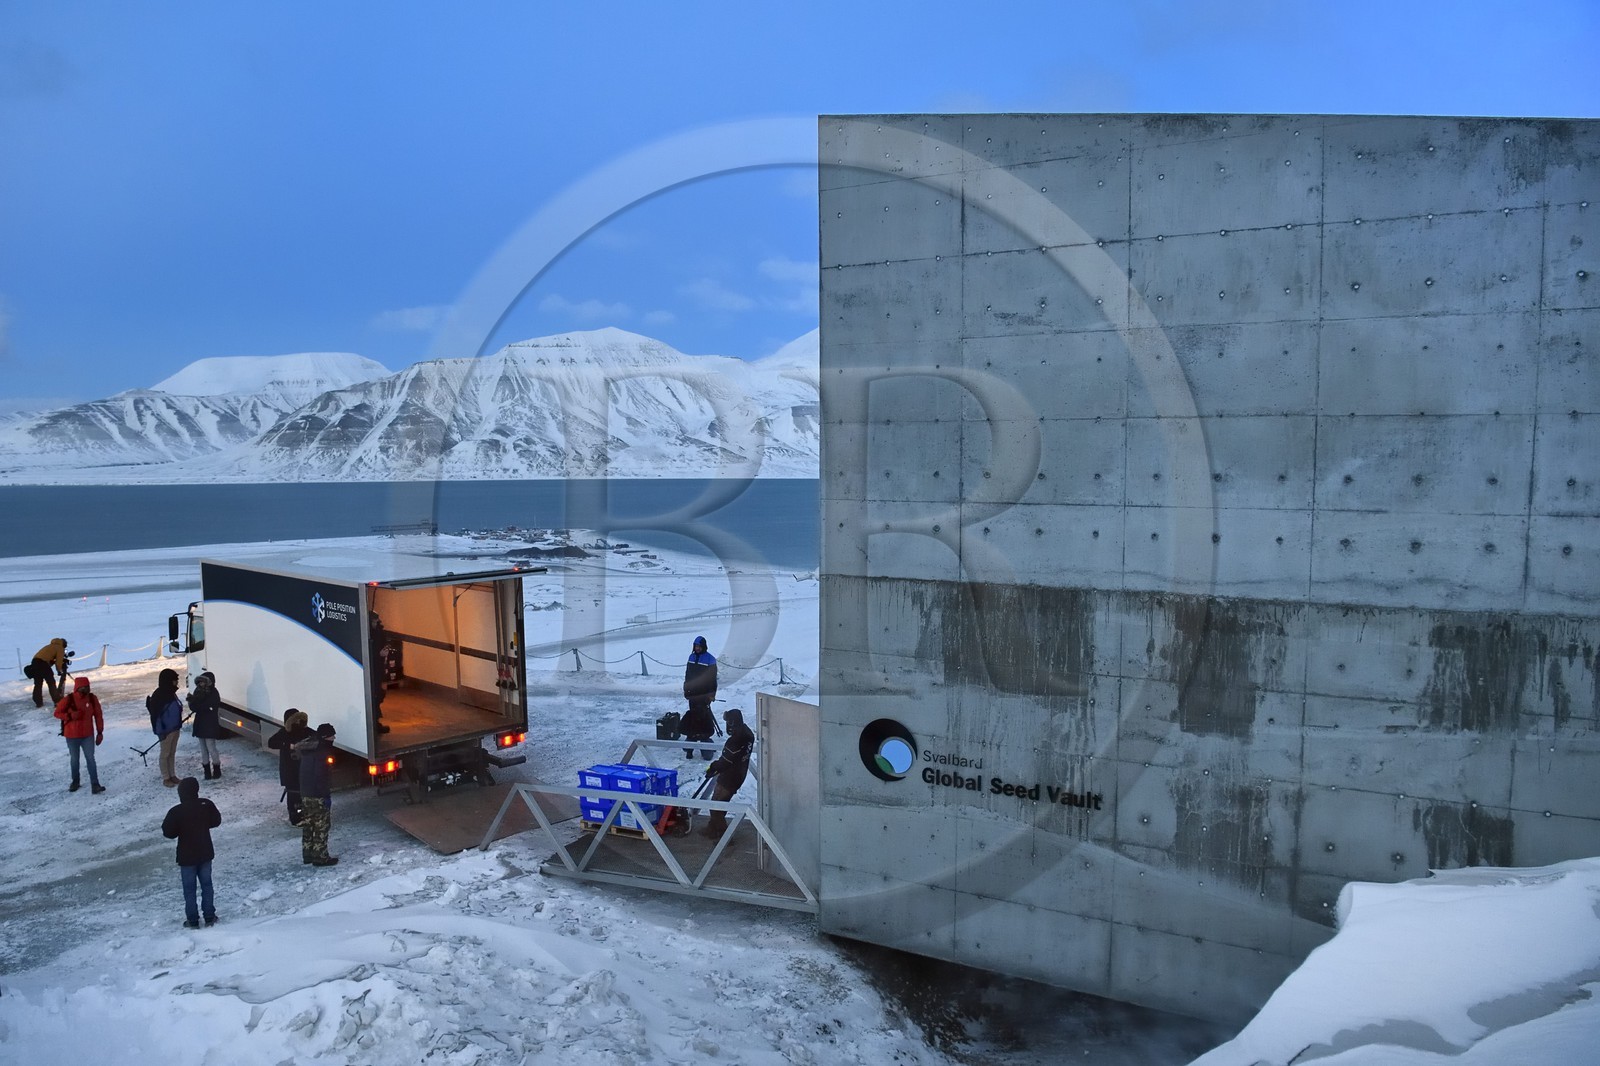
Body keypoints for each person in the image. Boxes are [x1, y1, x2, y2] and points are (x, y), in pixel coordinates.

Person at [161, 776, 221, 929]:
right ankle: (209, 915)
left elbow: (168, 832)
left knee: (189, 889)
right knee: (207, 885)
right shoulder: (205, 804)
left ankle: (192, 919)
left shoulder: (176, 812)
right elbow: (216, 821)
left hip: (186, 856)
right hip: (205, 852)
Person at [703, 707, 756, 837]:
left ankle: (723, 836)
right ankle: (712, 828)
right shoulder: (747, 733)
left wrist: (713, 767)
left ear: (732, 723)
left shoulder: (736, 740)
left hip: (730, 776)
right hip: (739, 774)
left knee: (716, 804)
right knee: (720, 803)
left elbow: (726, 761)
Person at [53, 676, 106, 795]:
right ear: (77, 688)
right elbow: (57, 713)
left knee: (90, 759)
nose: (86, 689)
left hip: (87, 735)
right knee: (74, 759)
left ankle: (95, 784)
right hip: (72, 736)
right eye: (84, 687)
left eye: (87, 687)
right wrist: (70, 716)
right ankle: (75, 781)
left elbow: (98, 715)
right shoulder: (69, 699)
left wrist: (100, 732)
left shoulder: (92, 699)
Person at [296, 722, 339, 866]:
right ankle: (320, 857)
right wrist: (325, 796)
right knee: (322, 826)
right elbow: (320, 776)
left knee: (309, 825)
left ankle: (307, 854)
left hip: (305, 793)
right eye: (332, 735)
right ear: (325, 737)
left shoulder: (308, 749)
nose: (334, 738)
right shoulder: (323, 753)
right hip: (317, 795)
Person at [267, 709, 312, 826]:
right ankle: (295, 817)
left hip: (303, 768)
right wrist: (289, 745)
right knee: (293, 794)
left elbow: (315, 737)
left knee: (303, 793)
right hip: (290, 770)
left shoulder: (305, 730)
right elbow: (271, 742)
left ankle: (304, 814)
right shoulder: (284, 733)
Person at [681, 635, 719, 759]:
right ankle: (691, 741)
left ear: (703, 646)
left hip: (704, 695)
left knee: (703, 716)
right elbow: (688, 675)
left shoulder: (710, 659)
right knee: (693, 716)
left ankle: (704, 740)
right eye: (696, 646)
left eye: (699, 646)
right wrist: (686, 689)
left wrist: (712, 695)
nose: (697, 648)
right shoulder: (691, 657)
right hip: (693, 694)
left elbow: (713, 680)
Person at [147, 667, 185, 787]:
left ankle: (172, 775)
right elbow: (155, 716)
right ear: (169, 681)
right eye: (175, 680)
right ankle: (166, 777)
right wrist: (160, 731)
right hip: (165, 731)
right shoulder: (159, 695)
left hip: (175, 728)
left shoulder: (171, 693)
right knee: (165, 754)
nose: (176, 683)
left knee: (172, 753)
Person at [188, 671, 224, 780]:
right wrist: (194, 703)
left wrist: (198, 705)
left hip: (209, 724)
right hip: (201, 723)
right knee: (204, 749)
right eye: (200, 682)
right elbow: (195, 706)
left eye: (203, 682)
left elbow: (211, 705)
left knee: (211, 747)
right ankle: (207, 771)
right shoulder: (198, 691)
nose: (201, 684)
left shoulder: (213, 692)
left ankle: (216, 769)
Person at [29, 637, 70, 708]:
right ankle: (57, 700)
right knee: (51, 681)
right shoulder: (60, 647)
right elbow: (59, 662)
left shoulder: (50, 646)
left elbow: (46, 658)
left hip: (34, 662)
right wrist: (60, 671)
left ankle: (38, 701)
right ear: (64, 645)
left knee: (38, 683)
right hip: (42, 663)